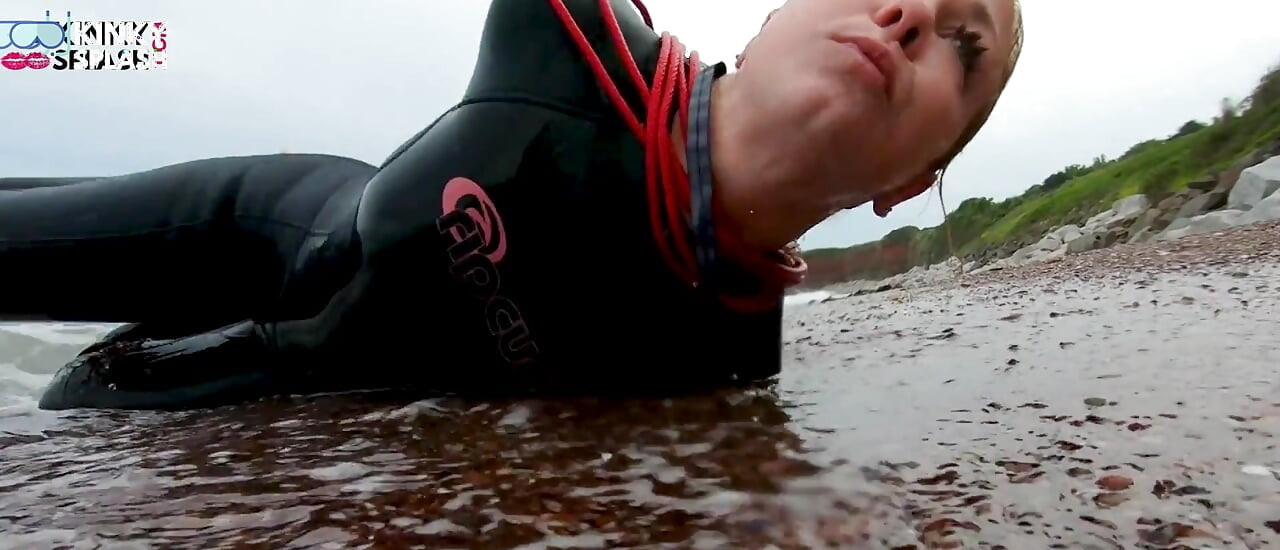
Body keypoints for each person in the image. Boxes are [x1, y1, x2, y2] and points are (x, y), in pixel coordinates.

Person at [0, 0, 1024, 411]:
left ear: (908, 184)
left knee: (66, 404)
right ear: (767, 21)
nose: (912, 14)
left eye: (961, 42)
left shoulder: (725, 363)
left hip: (283, 369)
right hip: (260, 223)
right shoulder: (572, 37)